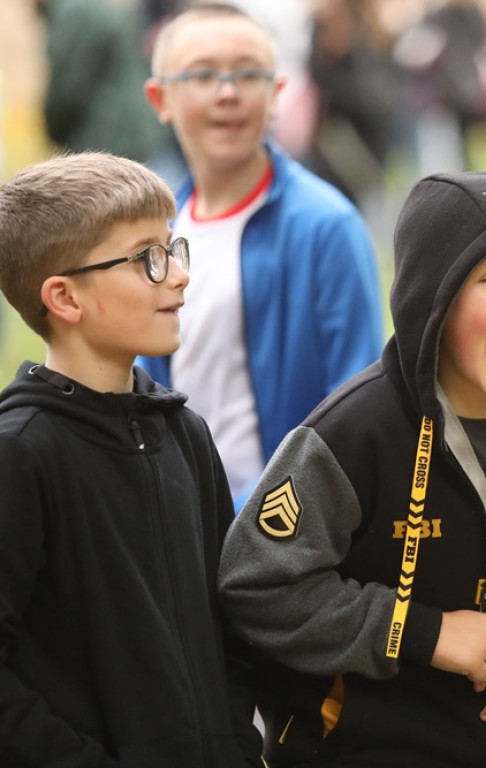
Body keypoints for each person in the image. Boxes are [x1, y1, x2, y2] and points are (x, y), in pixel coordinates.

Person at [217, 170, 486, 767]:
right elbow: (255, 583)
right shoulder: (354, 433)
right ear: (433, 299)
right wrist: (423, 633)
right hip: (357, 746)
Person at [0, 151, 262, 766]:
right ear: (64, 298)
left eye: (174, 249)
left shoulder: (187, 435)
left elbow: (232, 627)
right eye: (148, 258)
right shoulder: (21, 454)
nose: (178, 275)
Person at [140, 2, 383, 505]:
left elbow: (357, 406)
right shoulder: (156, 236)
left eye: (248, 74)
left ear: (277, 94)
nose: (228, 92)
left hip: (284, 536)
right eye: (203, 74)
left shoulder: (325, 226)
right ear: (160, 97)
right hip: (181, 525)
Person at [35, 0, 171, 168]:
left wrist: (51, 131)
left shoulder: (76, 11)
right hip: (140, 132)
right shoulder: (96, 7)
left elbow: (68, 88)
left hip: (110, 141)